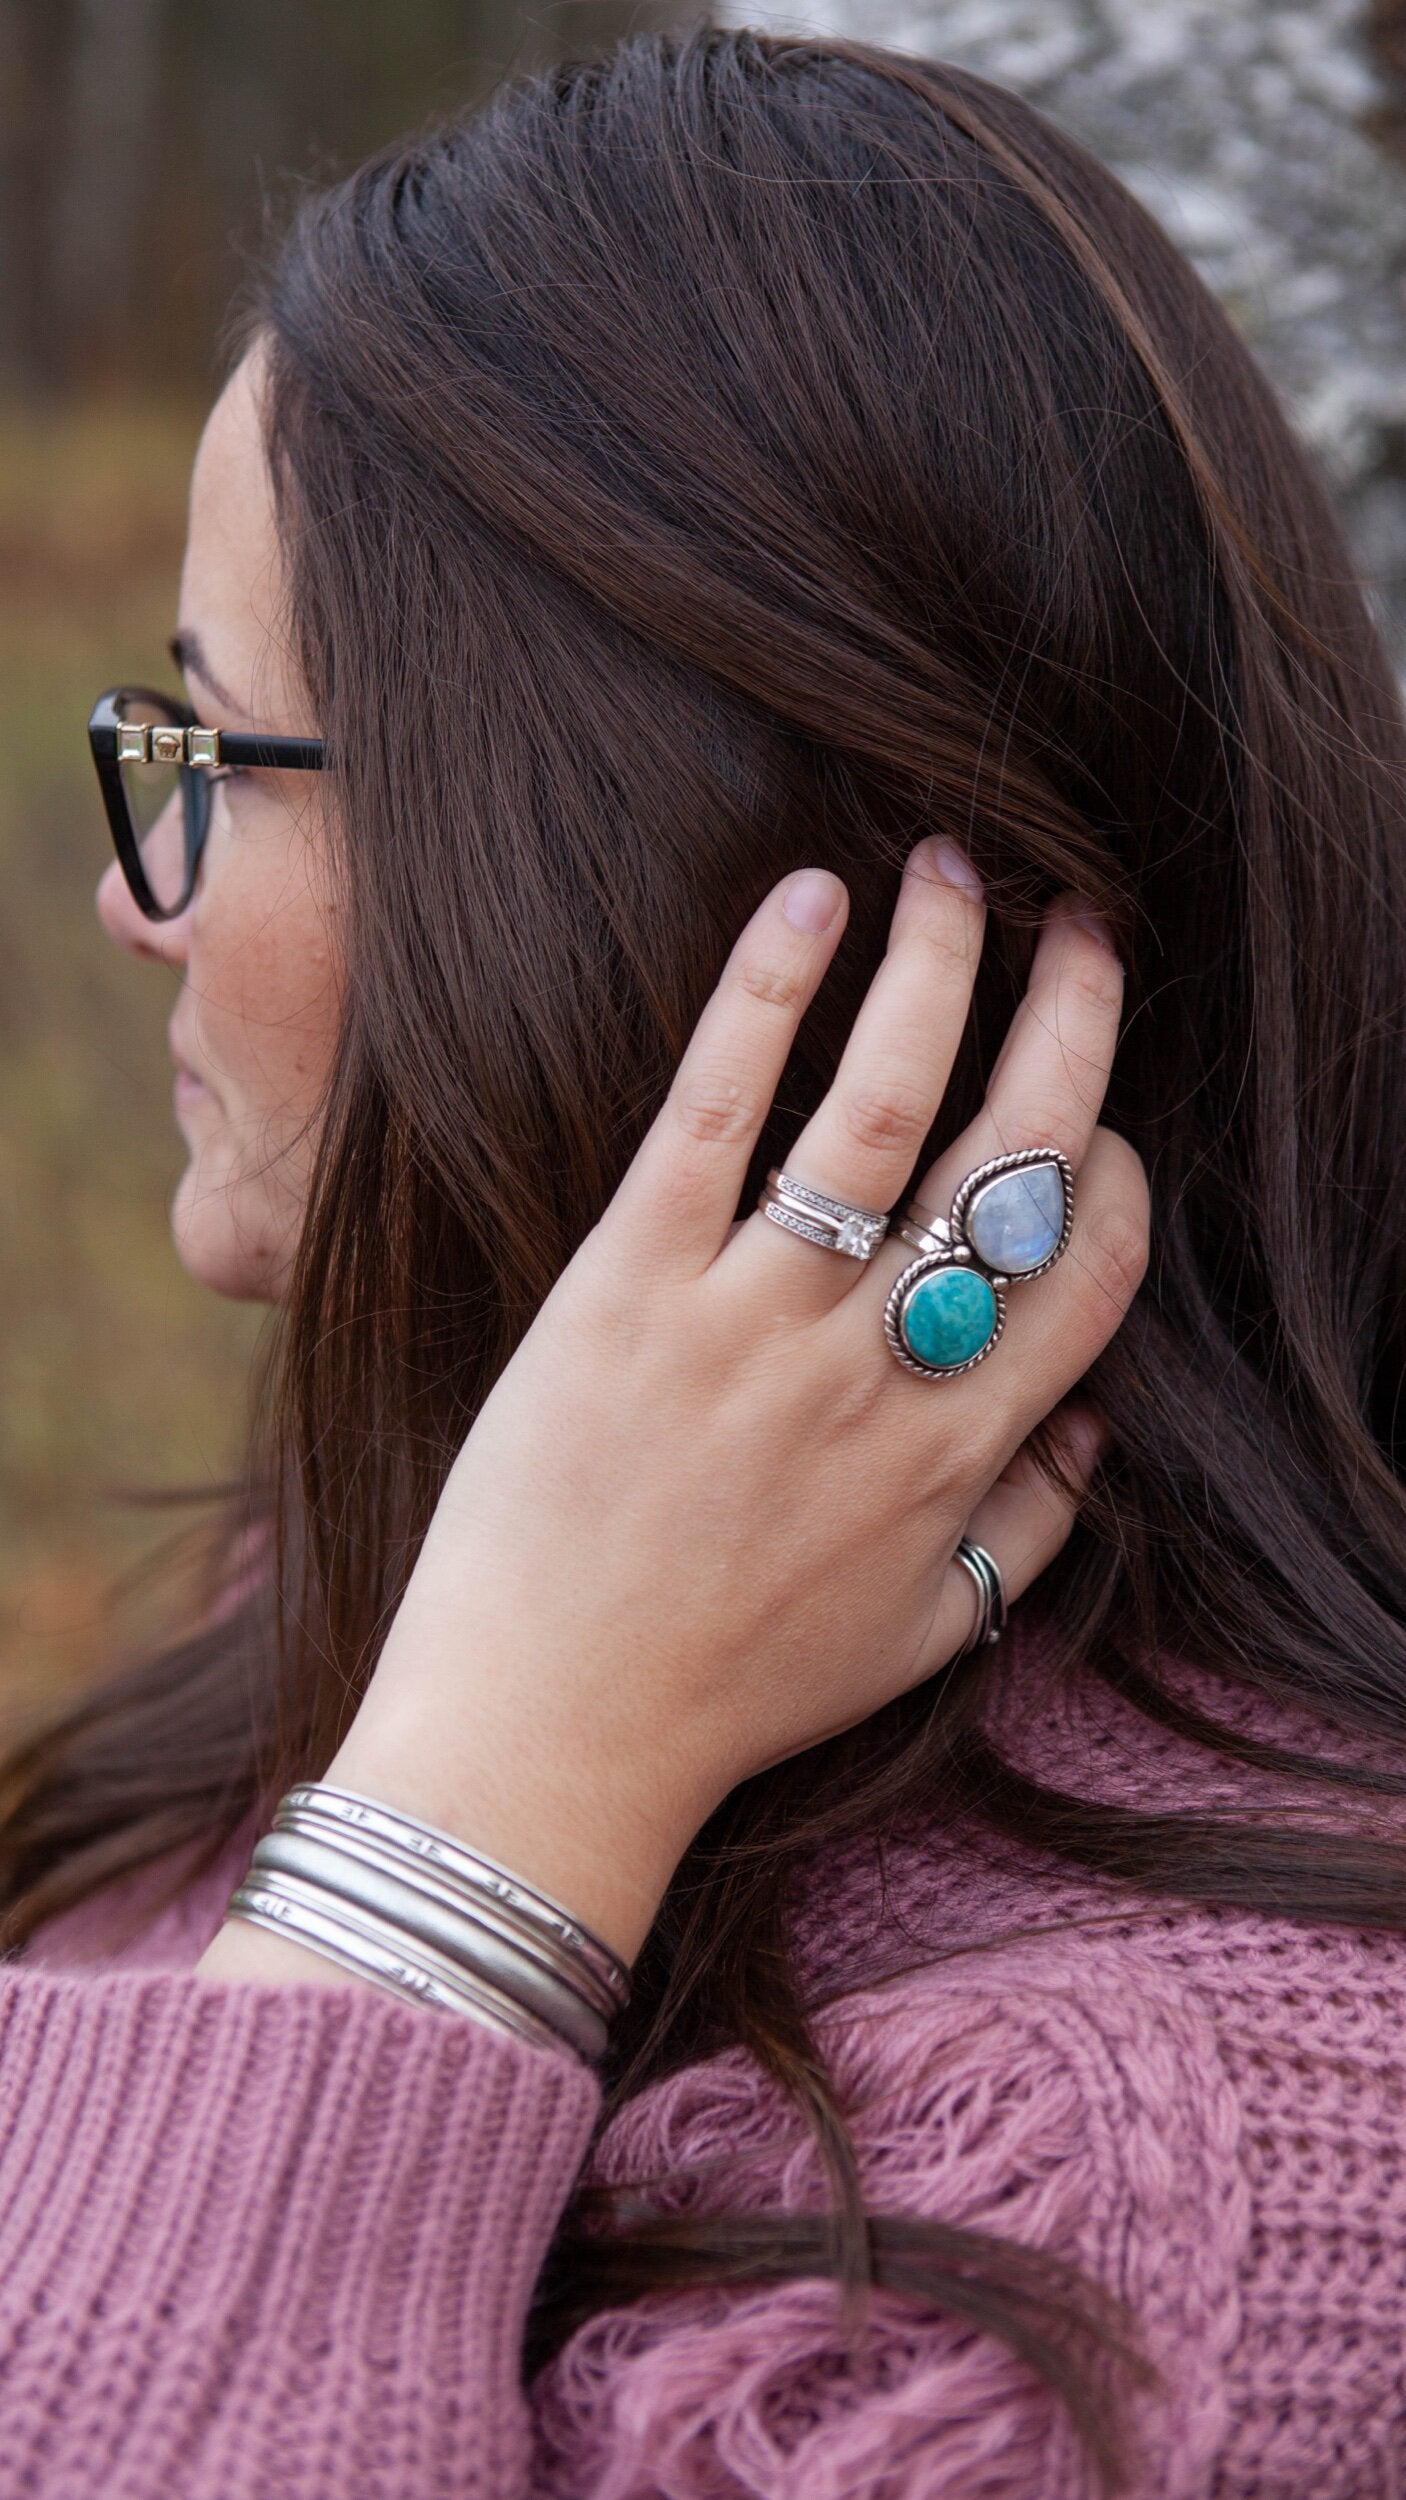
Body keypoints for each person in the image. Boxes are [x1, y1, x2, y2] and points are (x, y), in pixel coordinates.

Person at [3, 21, 1404, 2494]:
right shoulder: (462, 1587)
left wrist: (478, 1840)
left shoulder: (1122, 2234)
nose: (132, 894)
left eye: (219, 756)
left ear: (607, 890)